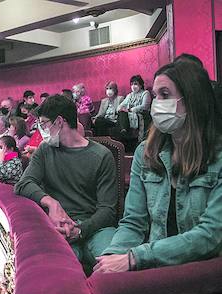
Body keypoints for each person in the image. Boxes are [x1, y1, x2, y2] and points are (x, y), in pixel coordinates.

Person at [96, 59, 222, 273]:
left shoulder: (217, 157)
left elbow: (211, 235)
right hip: (156, 270)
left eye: (165, 95)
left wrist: (135, 257)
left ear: (192, 100)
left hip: (205, 275)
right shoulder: (145, 152)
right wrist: (112, 257)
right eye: (155, 96)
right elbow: (134, 222)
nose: (157, 104)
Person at [13, 94, 119, 267]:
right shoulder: (45, 150)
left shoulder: (101, 155)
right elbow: (23, 184)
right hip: (58, 226)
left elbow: (107, 210)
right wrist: (52, 203)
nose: (41, 129)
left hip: (95, 227)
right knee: (56, 269)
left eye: (44, 123)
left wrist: (80, 230)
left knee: (115, 264)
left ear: (59, 122)